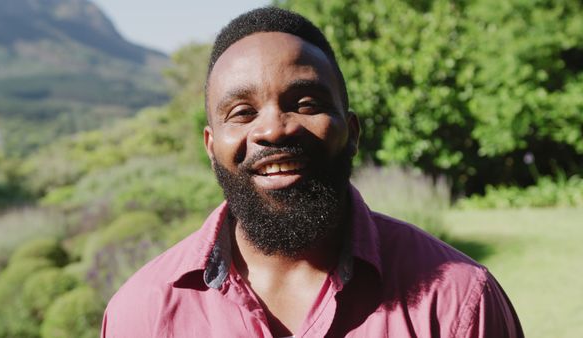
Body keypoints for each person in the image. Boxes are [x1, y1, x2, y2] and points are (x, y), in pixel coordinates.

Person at [101, 7, 523, 338]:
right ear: (212, 148)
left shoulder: (458, 301)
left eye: (305, 104)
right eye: (242, 112)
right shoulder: (141, 314)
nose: (273, 129)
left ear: (352, 131)